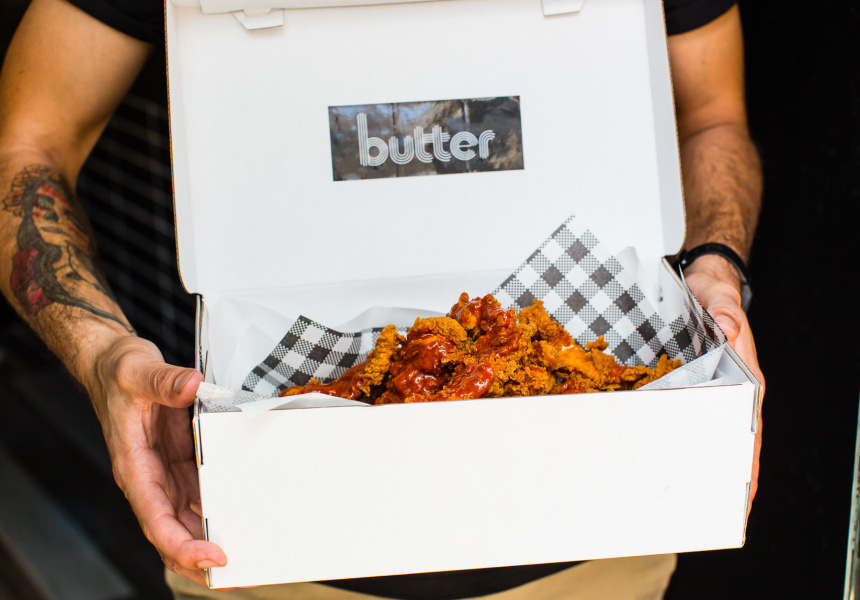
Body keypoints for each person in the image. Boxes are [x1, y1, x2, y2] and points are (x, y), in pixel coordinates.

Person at [0, 0, 764, 598]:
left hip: (604, 545)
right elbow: (27, 147)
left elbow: (713, 116)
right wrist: (99, 352)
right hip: (265, 549)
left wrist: (716, 270)